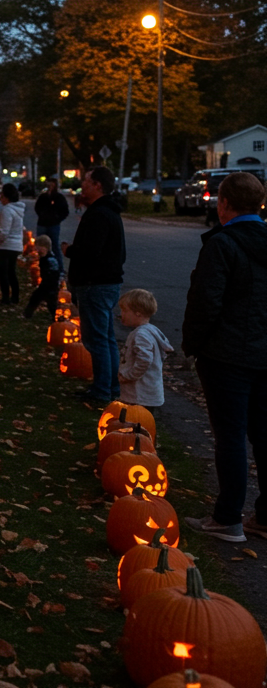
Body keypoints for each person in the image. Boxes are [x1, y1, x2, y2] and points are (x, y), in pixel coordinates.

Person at [181, 172, 267, 542]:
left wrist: (193, 345)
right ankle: (263, 516)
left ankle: (228, 516)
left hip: (227, 355)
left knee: (230, 436)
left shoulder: (222, 244)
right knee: (264, 435)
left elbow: (206, 303)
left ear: (224, 204)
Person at [62, 166, 125, 404]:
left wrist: (70, 251)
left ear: (98, 185)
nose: (83, 185)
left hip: (95, 284)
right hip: (105, 283)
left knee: (97, 339)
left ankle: (101, 390)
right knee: (106, 338)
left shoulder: (100, 214)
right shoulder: (109, 212)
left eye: (87, 181)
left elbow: (91, 251)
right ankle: (111, 386)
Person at [117, 289, 172, 414]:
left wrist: (129, 375)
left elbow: (145, 359)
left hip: (140, 394)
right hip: (147, 393)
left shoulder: (141, 335)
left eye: (125, 311)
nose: (121, 314)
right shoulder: (152, 331)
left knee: (136, 425)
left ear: (138, 313)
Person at [0, 182, 26, 305]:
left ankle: (5, 298)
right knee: (11, 272)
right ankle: (15, 297)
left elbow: (3, 231)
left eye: (2, 196)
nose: (0, 198)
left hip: (4, 246)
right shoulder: (17, 210)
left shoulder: (7, 211)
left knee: (3, 273)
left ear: (7, 197)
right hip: (15, 245)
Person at [22, 236, 63, 319]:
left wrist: (52, 283)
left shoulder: (50, 260)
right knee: (35, 298)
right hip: (44, 284)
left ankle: (57, 316)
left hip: (50, 285)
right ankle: (27, 314)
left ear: (44, 247)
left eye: (38, 247)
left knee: (51, 303)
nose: (36, 249)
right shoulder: (43, 258)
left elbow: (54, 274)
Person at [34, 178, 70, 268]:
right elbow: (37, 207)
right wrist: (42, 215)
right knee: (41, 245)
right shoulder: (43, 197)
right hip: (42, 224)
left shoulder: (59, 197)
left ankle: (60, 268)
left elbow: (65, 211)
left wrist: (57, 218)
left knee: (54, 246)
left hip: (53, 225)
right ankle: (40, 267)